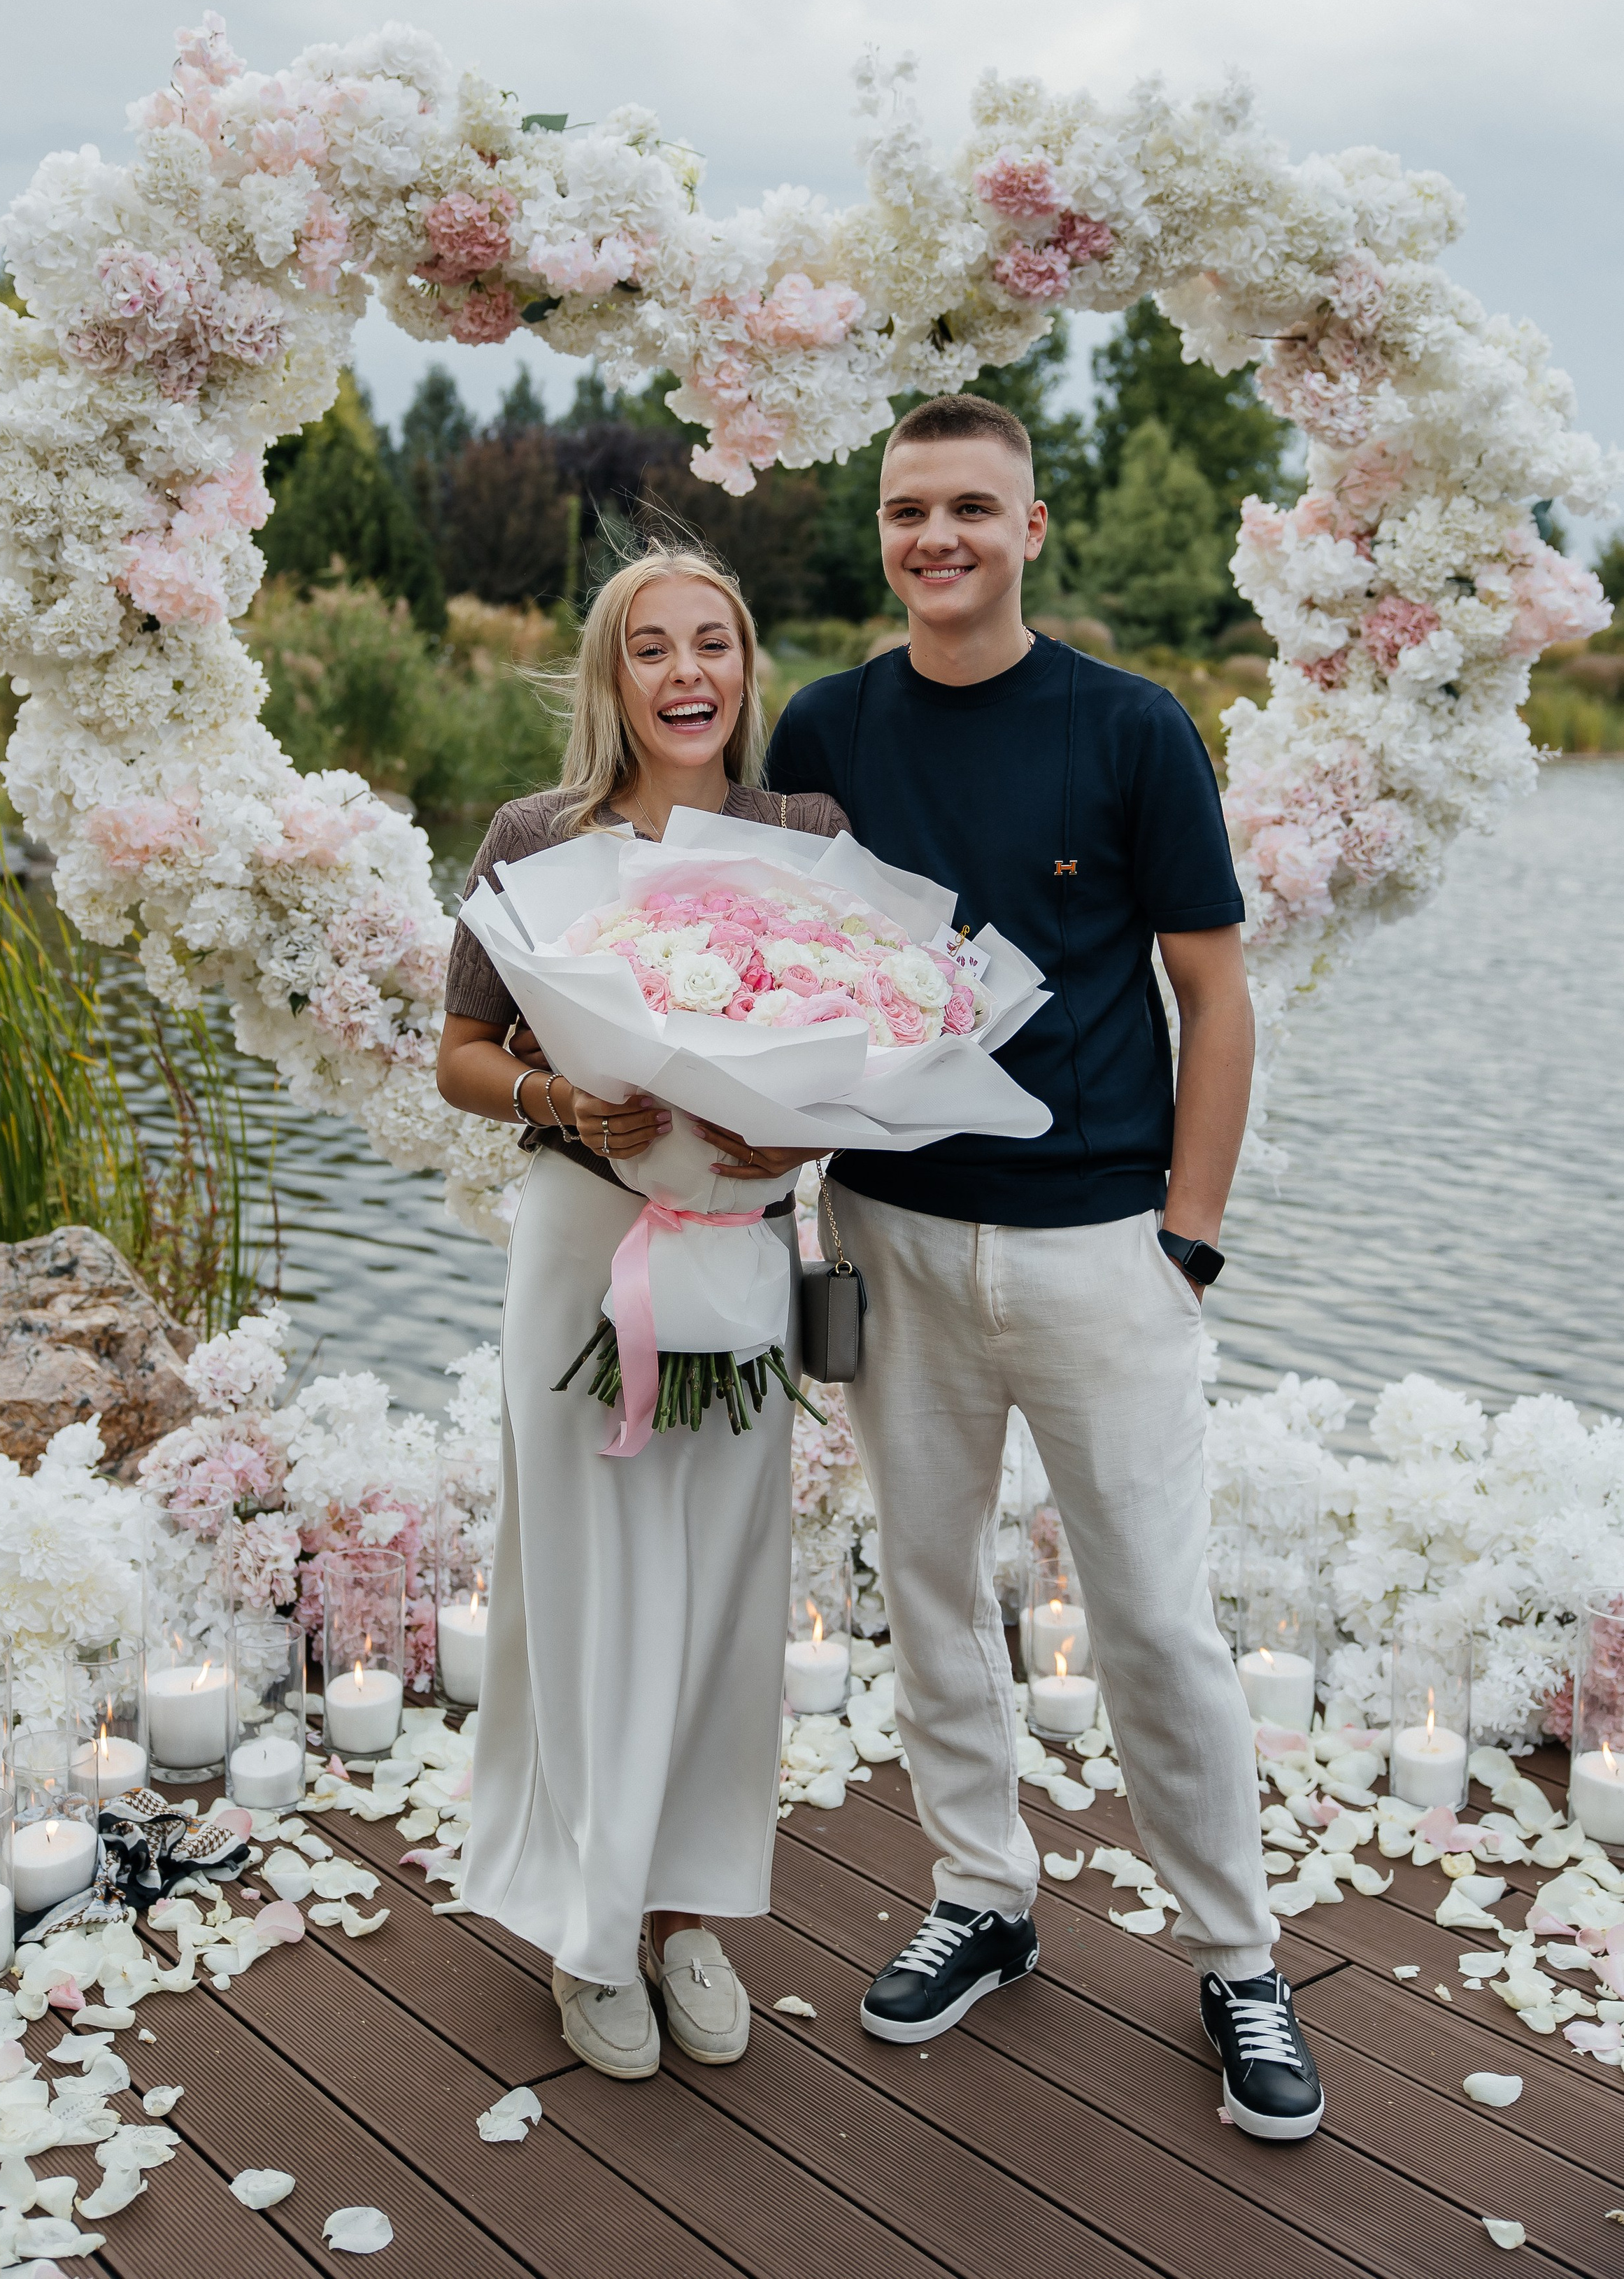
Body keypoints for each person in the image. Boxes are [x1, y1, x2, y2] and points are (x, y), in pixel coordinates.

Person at [765, 395, 1324, 2142]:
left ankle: (1234, 1955)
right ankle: (982, 1898)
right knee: (927, 1586)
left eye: (970, 509)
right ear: (880, 529)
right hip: (889, 1232)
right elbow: (777, 977)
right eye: (905, 510)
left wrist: (1189, 1239)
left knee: (1154, 1617)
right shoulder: (825, 727)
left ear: (1030, 527)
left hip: (1100, 1246)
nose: (935, 539)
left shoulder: (1131, 729)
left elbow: (1212, 996)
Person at [436, 543, 846, 2082]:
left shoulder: (805, 836)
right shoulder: (533, 840)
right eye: (651, 649)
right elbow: (460, 1052)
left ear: (748, 666)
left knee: (724, 1585)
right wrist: (555, 1091)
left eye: (714, 645)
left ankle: (683, 1916)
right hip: (581, 1245)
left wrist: (798, 1130)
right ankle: (579, 1926)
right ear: (611, 676)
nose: (686, 676)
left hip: (738, 1252)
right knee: (589, 1579)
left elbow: (864, 1043)